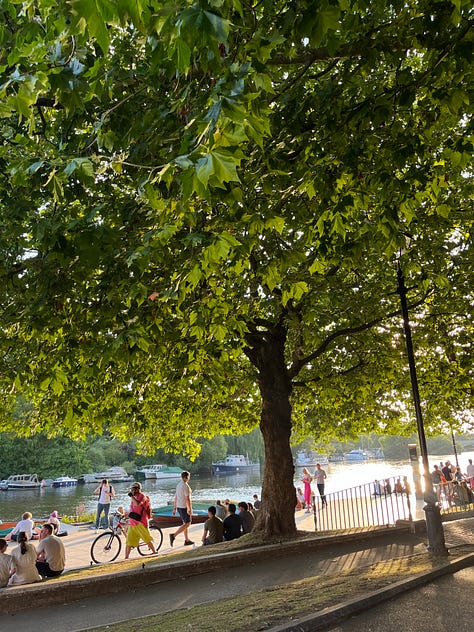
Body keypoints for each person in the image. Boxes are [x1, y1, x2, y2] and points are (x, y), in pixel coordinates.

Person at [124, 482, 155, 558]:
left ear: (137, 489)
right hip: (132, 523)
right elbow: (133, 508)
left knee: (146, 539)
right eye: (131, 490)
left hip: (140, 522)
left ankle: (154, 551)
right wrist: (127, 514)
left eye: (133, 489)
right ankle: (126, 558)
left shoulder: (142, 496)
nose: (131, 491)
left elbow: (137, 504)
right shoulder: (134, 497)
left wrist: (132, 497)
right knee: (129, 541)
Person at [170, 471, 194, 547]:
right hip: (184, 507)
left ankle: (187, 540)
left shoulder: (179, 485)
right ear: (186, 477)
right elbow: (188, 499)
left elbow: (176, 497)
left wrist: (174, 508)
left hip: (179, 506)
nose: (189, 478)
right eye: (188, 477)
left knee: (185, 523)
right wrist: (190, 509)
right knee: (188, 523)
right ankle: (173, 535)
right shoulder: (185, 486)